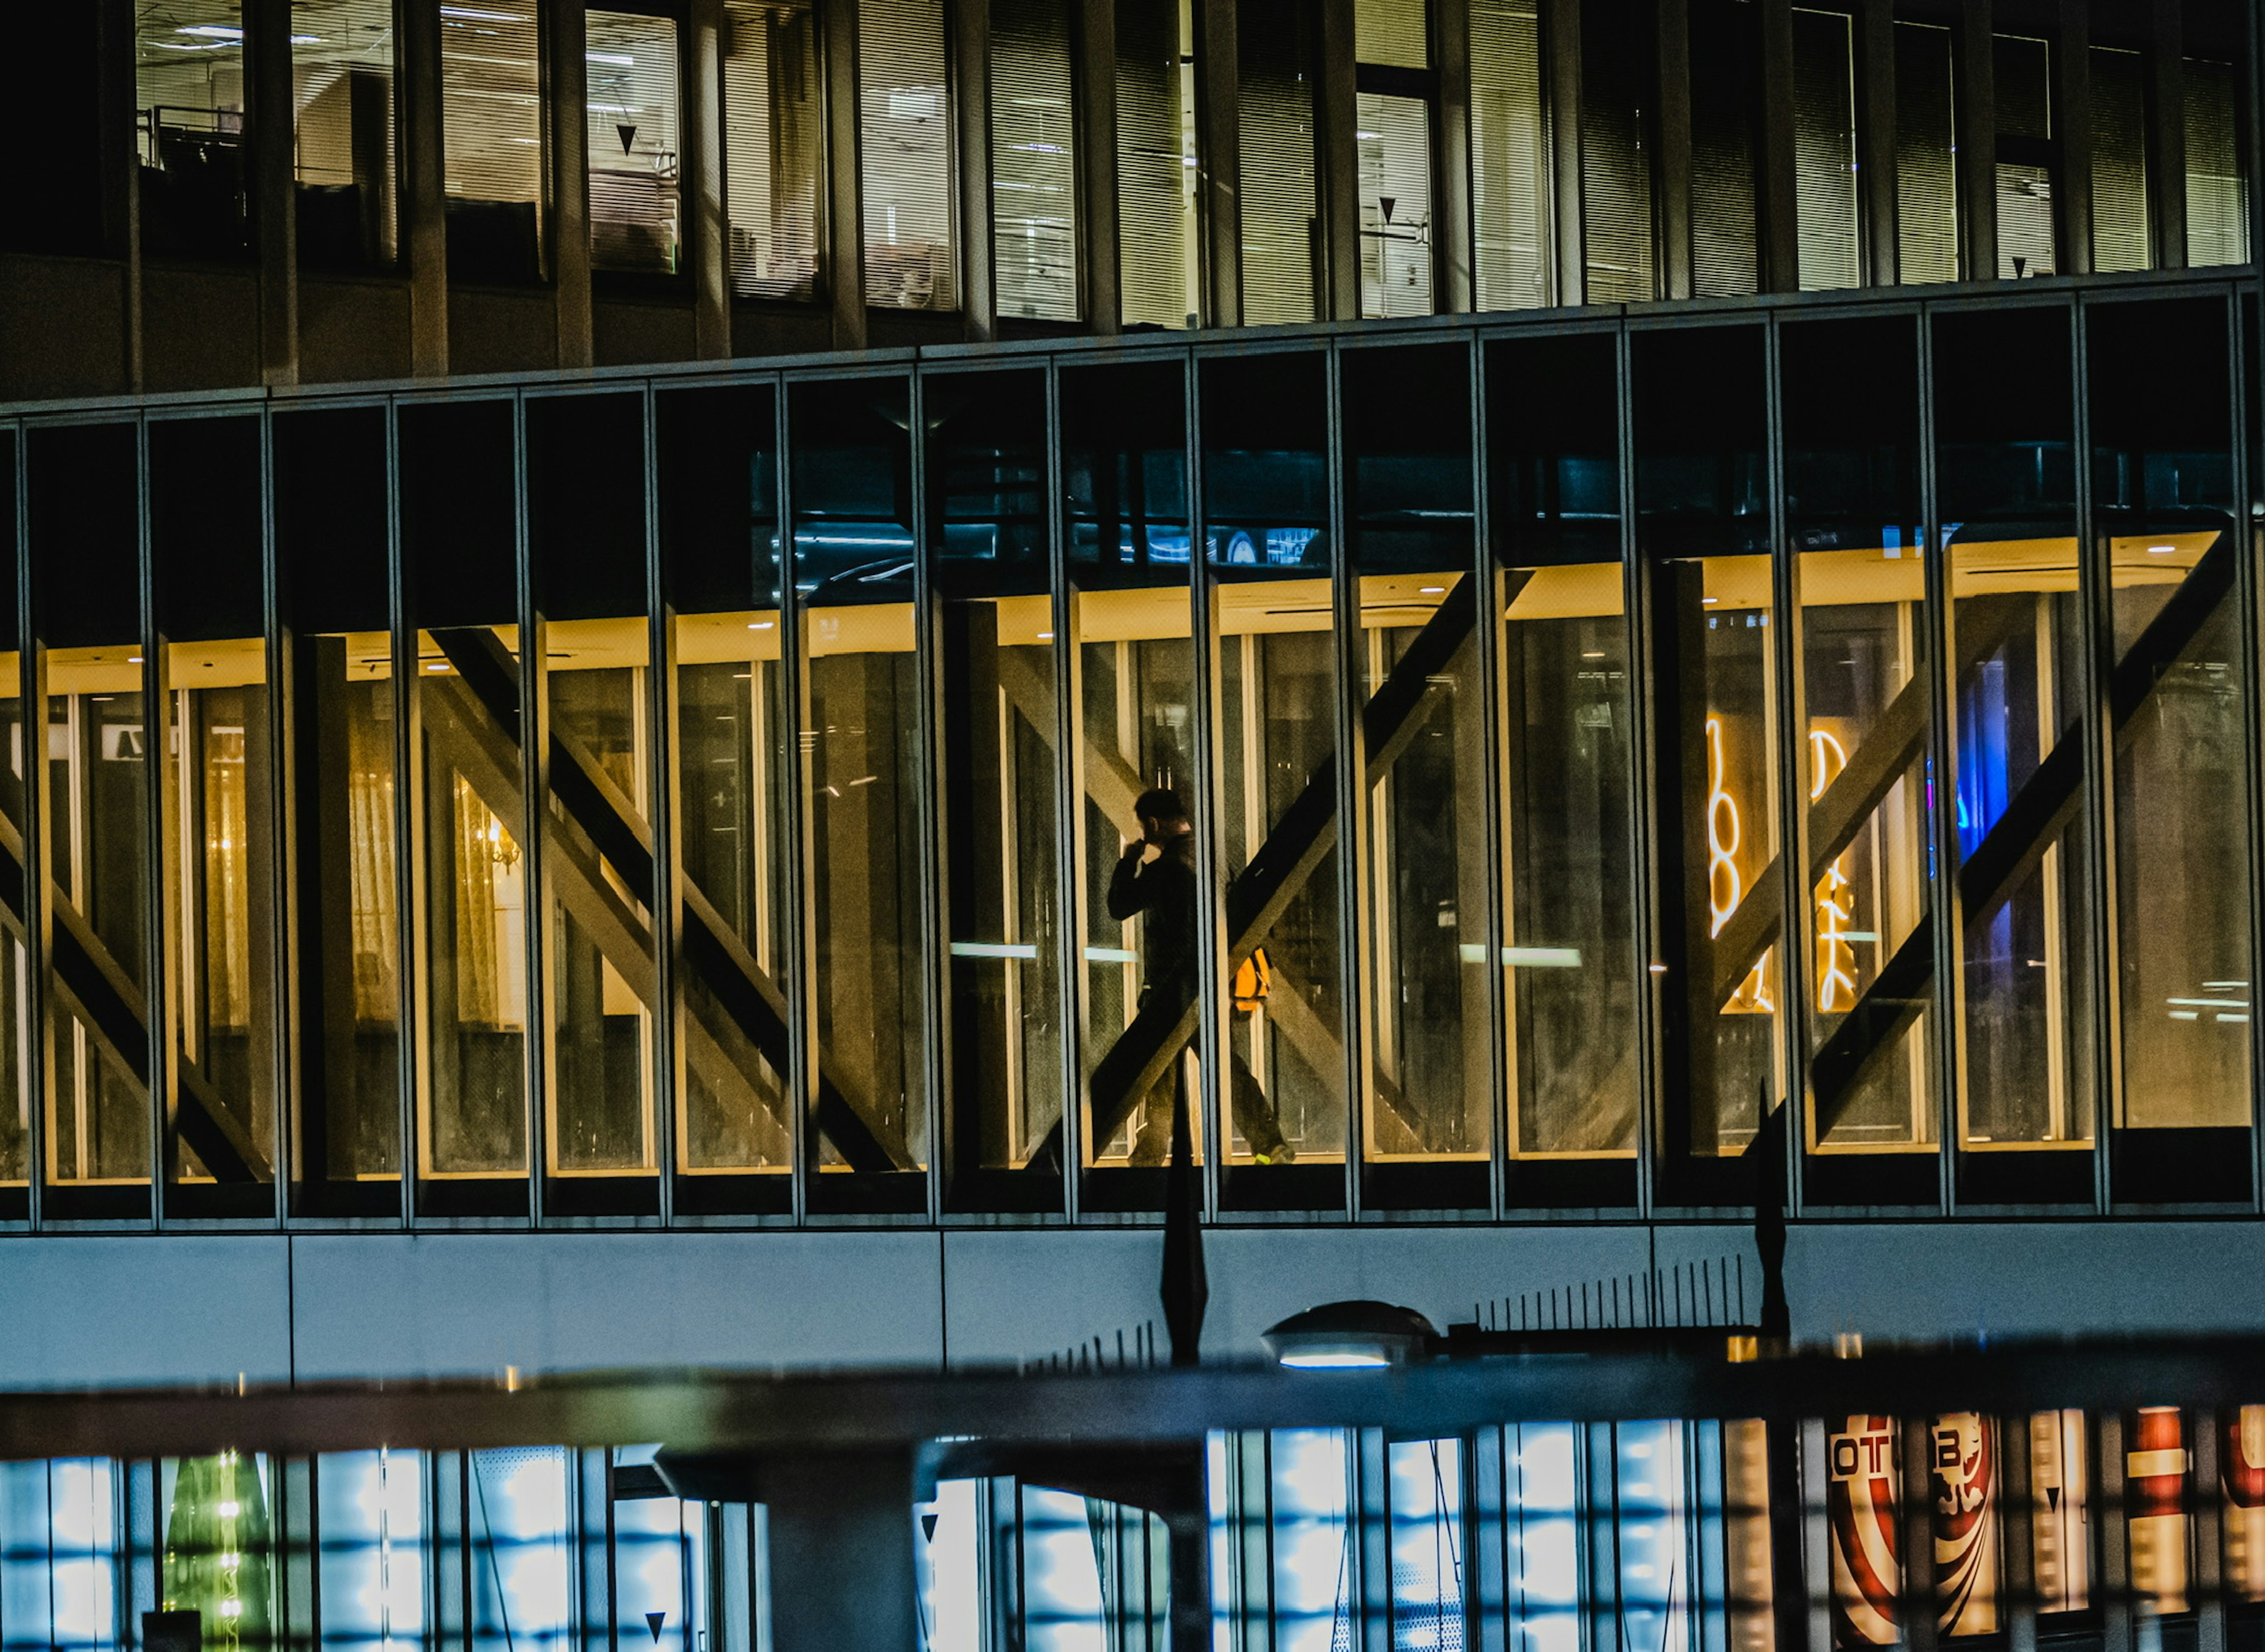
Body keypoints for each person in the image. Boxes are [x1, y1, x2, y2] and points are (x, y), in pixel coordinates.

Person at [1095, 787, 1291, 1166]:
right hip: (1211, 985)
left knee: (1158, 1078)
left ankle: (1150, 1156)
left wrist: (1129, 862)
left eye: (1144, 828)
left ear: (1152, 824)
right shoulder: (1214, 860)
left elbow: (1119, 906)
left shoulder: (1168, 868)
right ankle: (1271, 1144)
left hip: (1172, 989)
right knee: (1228, 1071)